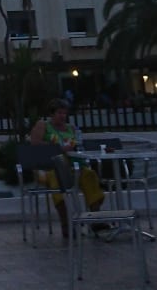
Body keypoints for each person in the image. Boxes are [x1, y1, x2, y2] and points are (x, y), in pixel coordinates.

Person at [28, 98, 106, 237]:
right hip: (50, 167)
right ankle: (66, 224)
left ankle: (95, 219)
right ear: (52, 113)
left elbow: (77, 146)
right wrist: (60, 148)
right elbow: (34, 145)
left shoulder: (71, 128)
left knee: (90, 175)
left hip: (73, 166)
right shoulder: (43, 125)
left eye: (64, 113)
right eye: (59, 113)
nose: (62, 116)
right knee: (58, 177)